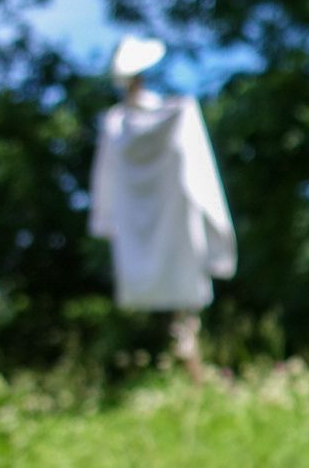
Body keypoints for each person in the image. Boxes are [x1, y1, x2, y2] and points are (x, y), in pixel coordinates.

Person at [88, 36, 235, 382]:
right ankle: (190, 369)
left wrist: (105, 222)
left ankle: (185, 367)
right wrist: (219, 238)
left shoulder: (117, 125)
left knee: (170, 301)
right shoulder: (177, 114)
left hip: (141, 232)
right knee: (184, 301)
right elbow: (203, 177)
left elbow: (104, 184)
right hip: (178, 225)